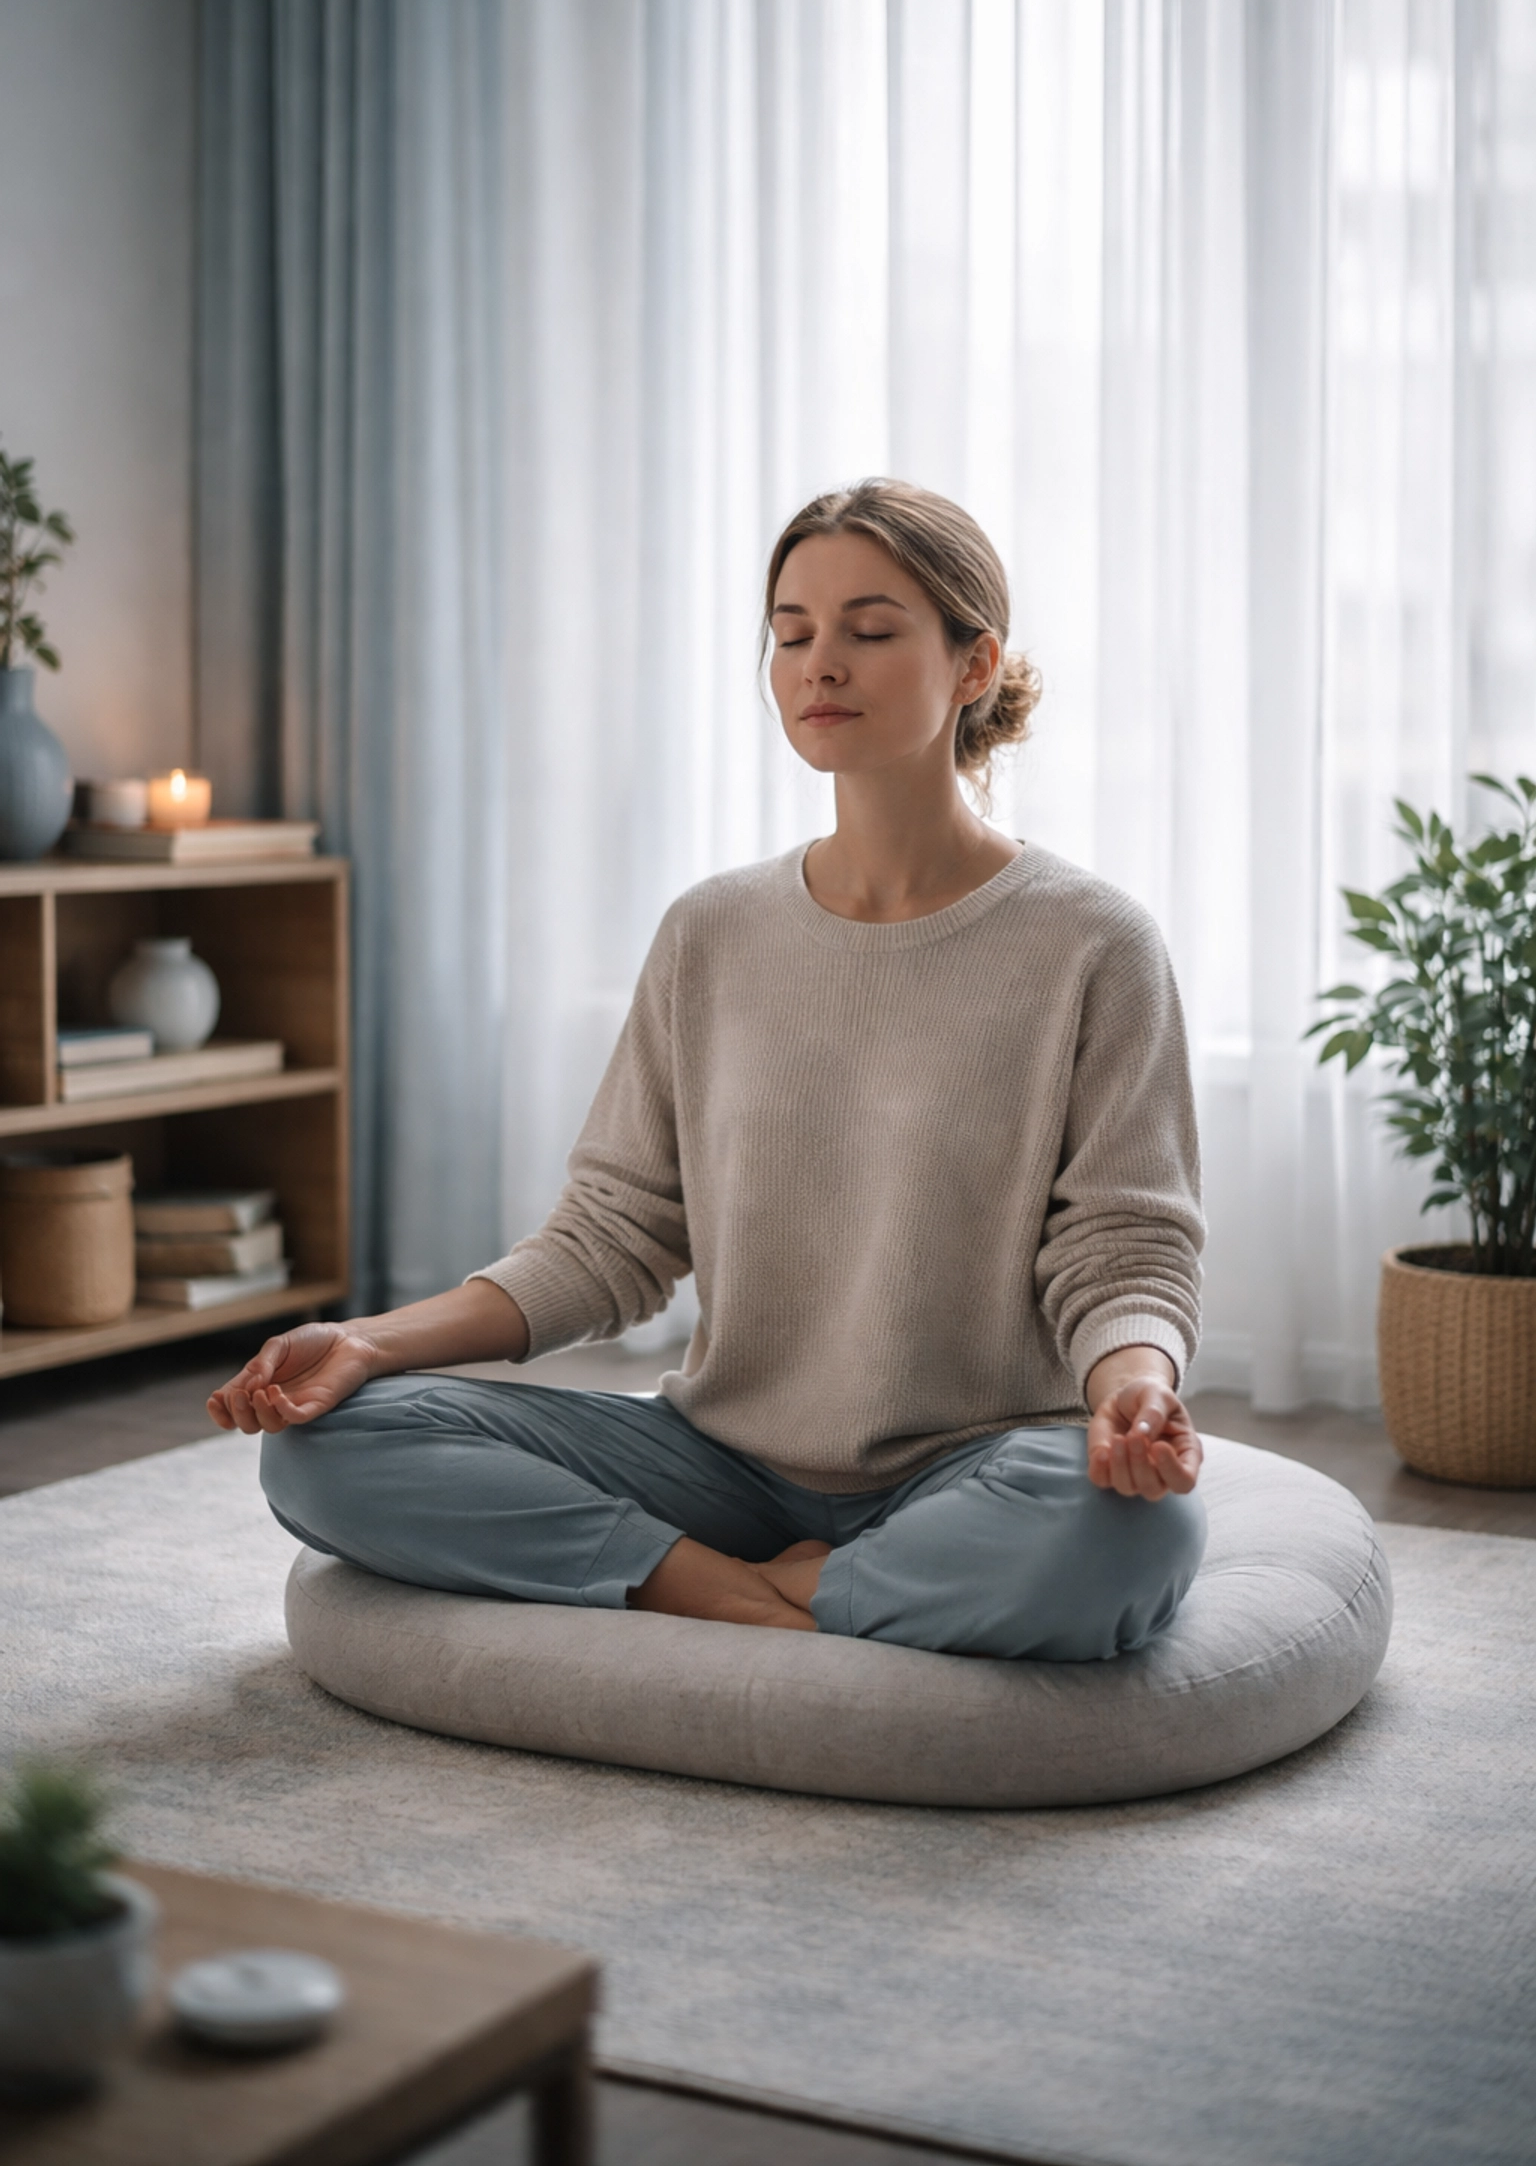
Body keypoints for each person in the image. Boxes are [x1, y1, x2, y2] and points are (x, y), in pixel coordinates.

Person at [213, 479, 1208, 1662]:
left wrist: (1132, 1388)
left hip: (977, 1460)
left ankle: (744, 1583)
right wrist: (370, 1341)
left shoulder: (1093, 944)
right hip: (723, 1462)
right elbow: (610, 1236)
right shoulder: (714, 932)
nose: (817, 665)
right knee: (328, 1446)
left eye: (869, 630)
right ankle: (743, 1591)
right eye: (791, 633)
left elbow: (1124, 1247)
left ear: (974, 663)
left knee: (1133, 1541)